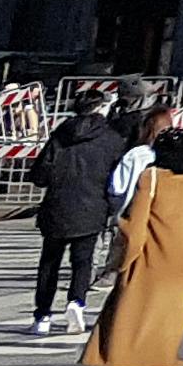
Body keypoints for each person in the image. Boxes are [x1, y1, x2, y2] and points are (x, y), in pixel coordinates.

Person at [85, 114, 183, 366]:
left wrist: (117, 264)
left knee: (115, 341)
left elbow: (135, 232)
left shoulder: (152, 178)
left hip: (148, 271)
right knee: (162, 351)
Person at [25, 90, 127, 339]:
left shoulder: (61, 134)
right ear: (101, 108)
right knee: (83, 261)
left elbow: (40, 174)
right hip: (92, 206)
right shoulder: (112, 139)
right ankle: (76, 302)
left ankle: (43, 315)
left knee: (49, 263)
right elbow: (116, 178)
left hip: (57, 206)